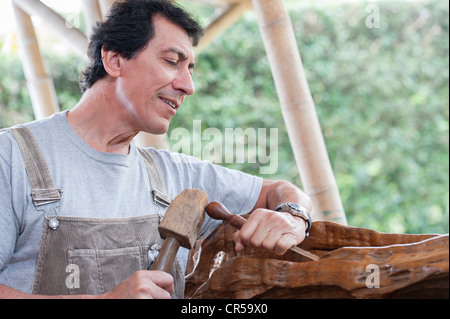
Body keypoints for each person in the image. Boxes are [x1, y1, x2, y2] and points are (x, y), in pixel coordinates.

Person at [0, 0, 312, 299]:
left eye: (190, 68)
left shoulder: (178, 178)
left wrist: (292, 217)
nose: (188, 86)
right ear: (114, 60)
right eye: (171, 61)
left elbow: (280, 191)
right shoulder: (11, 157)